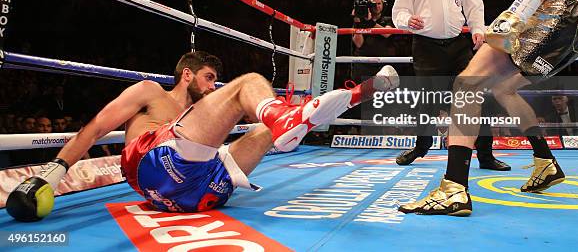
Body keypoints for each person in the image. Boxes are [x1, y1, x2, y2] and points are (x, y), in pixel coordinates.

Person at [7, 51, 399, 221]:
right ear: (188, 75)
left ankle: (302, 119)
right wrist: (51, 174)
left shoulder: (197, 120)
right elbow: (95, 128)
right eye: (209, 78)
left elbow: (206, 133)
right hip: (154, 160)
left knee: (262, 128)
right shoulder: (150, 93)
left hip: (192, 194)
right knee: (250, 84)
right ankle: (290, 118)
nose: (213, 86)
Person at [399, 0, 578, 216]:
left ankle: (453, 189)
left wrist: (516, 15)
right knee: (503, 90)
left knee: (466, 85)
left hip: (554, 7)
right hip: (573, 29)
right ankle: (545, 161)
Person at [392, 0, 509, 171]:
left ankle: (486, 156)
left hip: (458, 46)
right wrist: (407, 20)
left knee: (476, 98)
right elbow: (398, 11)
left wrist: (478, 30)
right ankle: (421, 147)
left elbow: (476, 7)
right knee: (428, 102)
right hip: (426, 47)